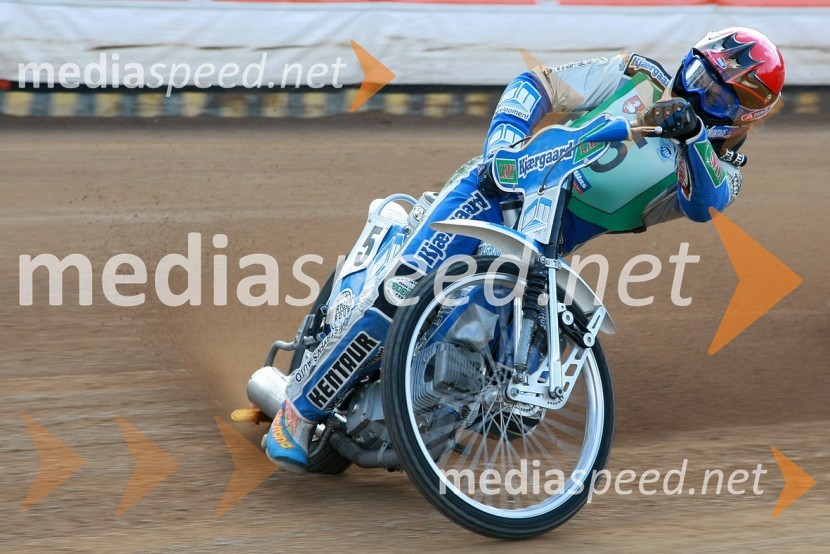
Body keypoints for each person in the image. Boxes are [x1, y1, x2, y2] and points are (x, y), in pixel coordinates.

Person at [264, 27, 785, 472]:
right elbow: (535, 84)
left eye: (716, 96)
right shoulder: (636, 75)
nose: (694, 95)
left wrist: (692, 136)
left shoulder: (721, 172)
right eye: (696, 77)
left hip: (545, 248)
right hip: (491, 194)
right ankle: (297, 411)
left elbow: (704, 204)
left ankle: (414, 423)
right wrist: (503, 146)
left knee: (512, 392)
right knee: (399, 292)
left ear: (744, 118)